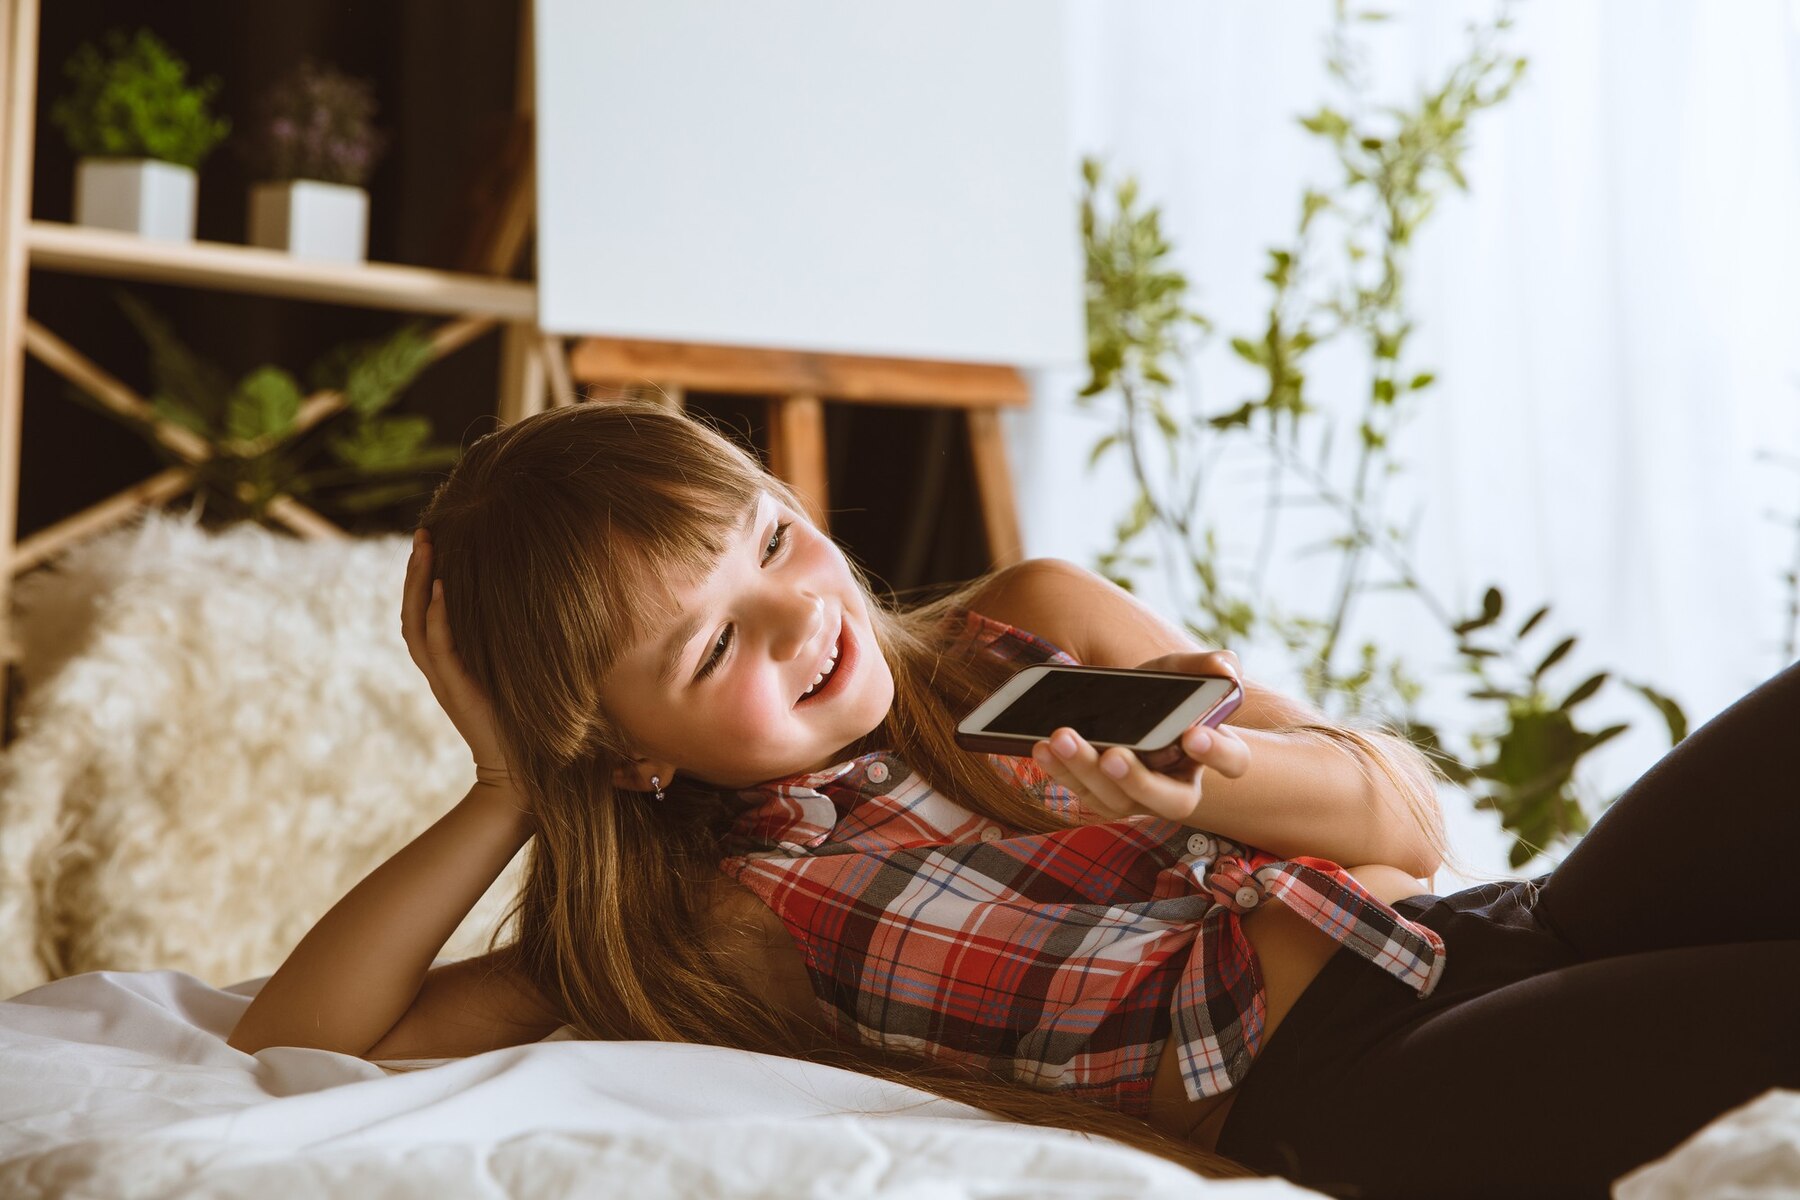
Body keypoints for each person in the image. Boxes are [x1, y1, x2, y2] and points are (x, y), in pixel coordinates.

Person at [229, 399, 1798, 1199]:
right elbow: (307, 1037)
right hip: (1365, 1086)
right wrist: (511, 778)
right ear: (623, 748)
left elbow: (1405, 821)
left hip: (1492, 931)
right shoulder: (701, 930)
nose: (799, 616)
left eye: (773, 543)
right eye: (714, 645)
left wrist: (1216, 785)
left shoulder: (1028, 619)